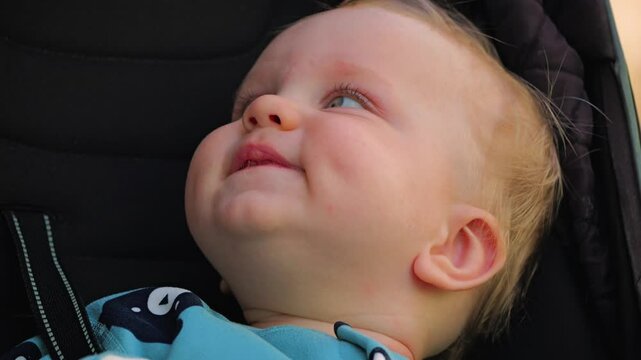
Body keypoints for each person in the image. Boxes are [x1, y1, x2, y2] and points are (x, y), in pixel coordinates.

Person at [3, 0, 562, 359]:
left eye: (346, 100)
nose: (266, 106)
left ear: (454, 247)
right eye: (245, 102)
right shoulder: (138, 325)